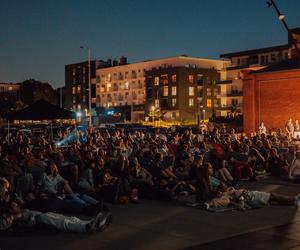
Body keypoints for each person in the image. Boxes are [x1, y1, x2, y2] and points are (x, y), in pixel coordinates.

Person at [0, 177, 112, 233]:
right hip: (29, 220)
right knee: (61, 222)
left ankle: (91, 223)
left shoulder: (7, 199)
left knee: (66, 218)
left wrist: (18, 204)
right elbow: (3, 225)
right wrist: (15, 215)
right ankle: (86, 227)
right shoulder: (4, 208)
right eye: (5, 188)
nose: (6, 190)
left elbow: (21, 204)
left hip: (33, 213)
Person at [204, 182, 300, 209]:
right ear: (221, 189)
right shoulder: (225, 195)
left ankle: (293, 201)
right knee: (272, 196)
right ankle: (293, 199)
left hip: (250, 194)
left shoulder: (229, 190)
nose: (224, 184)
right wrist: (209, 204)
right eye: (223, 185)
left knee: (273, 199)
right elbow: (220, 201)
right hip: (249, 196)